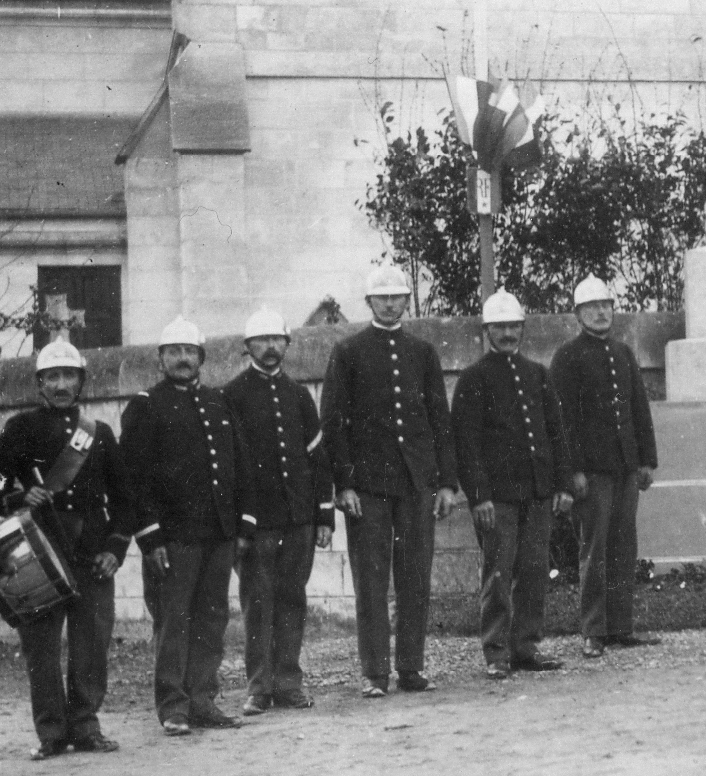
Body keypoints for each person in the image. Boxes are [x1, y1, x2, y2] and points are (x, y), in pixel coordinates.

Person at [0, 338, 134, 759]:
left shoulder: (100, 435)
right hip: (37, 553)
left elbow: (125, 501)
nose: (61, 384)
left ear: (81, 382)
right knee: (41, 647)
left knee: (91, 644)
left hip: (90, 555)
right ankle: (51, 733)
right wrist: (19, 497)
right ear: (40, 385)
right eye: (52, 376)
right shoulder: (20, 429)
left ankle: (86, 726)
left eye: (68, 375)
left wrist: (115, 549)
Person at [320, 267, 459, 697]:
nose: (391, 303)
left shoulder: (422, 352)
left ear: (406, 301)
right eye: (382, 298)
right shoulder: (348, 352)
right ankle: (375, 673)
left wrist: (447, 484)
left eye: (398, 297)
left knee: (415, 577)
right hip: (369, 487)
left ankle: (411, 668)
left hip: (417, 483)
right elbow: (333, 422)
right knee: (372, 580)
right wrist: (344, 485)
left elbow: (440, 421)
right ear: (369, 303)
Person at [121, 317, 254, 735]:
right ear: (160, 358)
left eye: (190, 351)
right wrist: (150, 536)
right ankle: (173, 705)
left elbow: (241, 466)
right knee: (174, 619)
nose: (183, 358)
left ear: (201, 357)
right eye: (174, 351)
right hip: (174, 536)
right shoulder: (145, 405)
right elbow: (134, 478)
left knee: (212, 617)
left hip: (218, 532)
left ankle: (202, 700)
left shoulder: (219, 401)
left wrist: (243, 525)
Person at [452, 293, 576, 680]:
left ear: (522, 328)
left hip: (538, 493)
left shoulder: (537, 374)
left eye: (513, 326)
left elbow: (556, 434)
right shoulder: (473, 379)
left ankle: (526, 646)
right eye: (499, 327)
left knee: (535, 570)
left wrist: (562, 485)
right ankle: (496, 651)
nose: (507, 334)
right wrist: (479, 496)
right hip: (498, 499)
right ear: (487, 331)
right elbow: (466, 444)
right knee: (499, 573)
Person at [223, 307, 334, 714]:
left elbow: (317, 459)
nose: (270, 348)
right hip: (257, 524)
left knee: (292, 598)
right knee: (257, 601)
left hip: (298, 519)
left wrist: (324, 516)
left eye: (277, 340)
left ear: (287, 344)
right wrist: (239, 524)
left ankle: (288, 682)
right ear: (247, 346)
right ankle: (259, 687)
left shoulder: (298, 395)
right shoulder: (231, 396)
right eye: (262, 341)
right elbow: (230, 467)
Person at [549, 274, 659, 658]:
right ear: (578, 314)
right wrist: (572, 471)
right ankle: (593, 630)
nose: (600, 312)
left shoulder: (623, 353)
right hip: (591, 472)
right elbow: (561, 421)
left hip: (625, 467)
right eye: (592, 307)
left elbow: (638, 410)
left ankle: (621, 626)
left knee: (623, 546)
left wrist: (646, 460)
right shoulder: (567, 356)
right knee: (594, 549)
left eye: (606, 305)